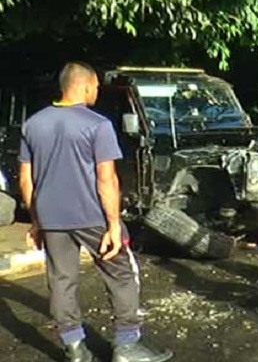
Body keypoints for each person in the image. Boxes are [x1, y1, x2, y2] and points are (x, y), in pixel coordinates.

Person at [19, 62, 173, 362]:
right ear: (86, 85)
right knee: (122, 272)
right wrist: (114, 224)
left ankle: (76, 349)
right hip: (92, 216)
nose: (97, 93)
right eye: (96, 88)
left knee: (61, 279)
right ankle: (127, 345)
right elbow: (107, 178)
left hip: (51, 218)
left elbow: (26, 178)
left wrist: (37, 222)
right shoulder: (97, 124)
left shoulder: (33, 124)